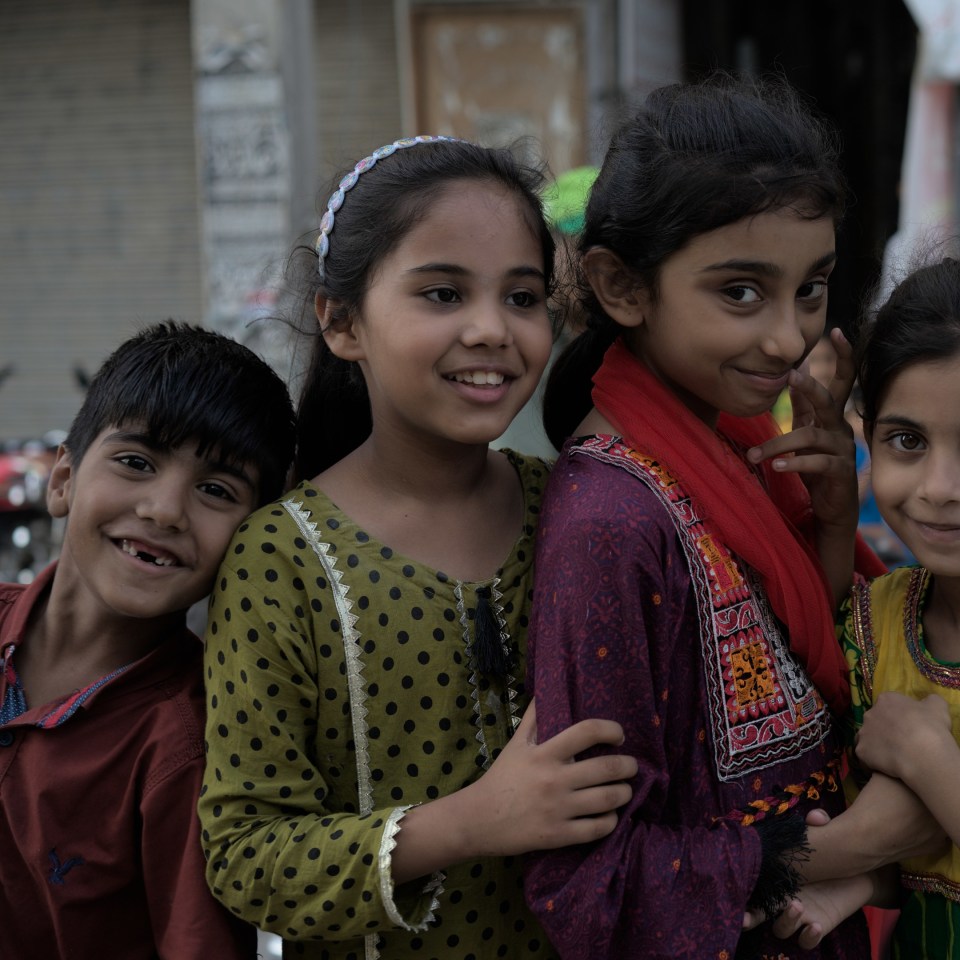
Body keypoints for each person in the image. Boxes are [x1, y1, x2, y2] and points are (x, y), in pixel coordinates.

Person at [198, 135, 638, 959]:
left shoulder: (577, 510)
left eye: (522, 296)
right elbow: (247, 855)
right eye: (443, 293)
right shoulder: (281, 559)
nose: (492, 329)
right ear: (341, 322)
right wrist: (470, 823)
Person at [523, 74, 897, 959]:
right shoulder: (611, 522)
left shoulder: (734, 444)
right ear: (621, 286)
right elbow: (597, 882)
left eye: (812, 289)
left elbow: (800, 671)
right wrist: (856, 845)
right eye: (741, 293)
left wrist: (831, 525)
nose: (788, 338)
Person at [0, 320, 296, 959]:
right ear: (62, 480)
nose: (164, 510)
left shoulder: (190, 745)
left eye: (216, 490)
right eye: (136, 462)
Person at [767, 255, 960, 958]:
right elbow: (921, 856)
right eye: (907, 441)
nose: (940, 487)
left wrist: (928, 758)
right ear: (867, 436)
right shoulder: (876, 623)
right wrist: (861, 882)